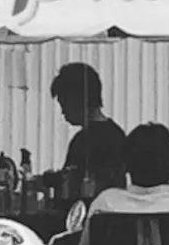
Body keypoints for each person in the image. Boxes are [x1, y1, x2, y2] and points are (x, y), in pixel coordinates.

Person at [51, 62, 127, 195]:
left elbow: (70, 186)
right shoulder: (118, 135)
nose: (63, 111)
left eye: (64, 103)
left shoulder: (82, 141)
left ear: (78, 98)